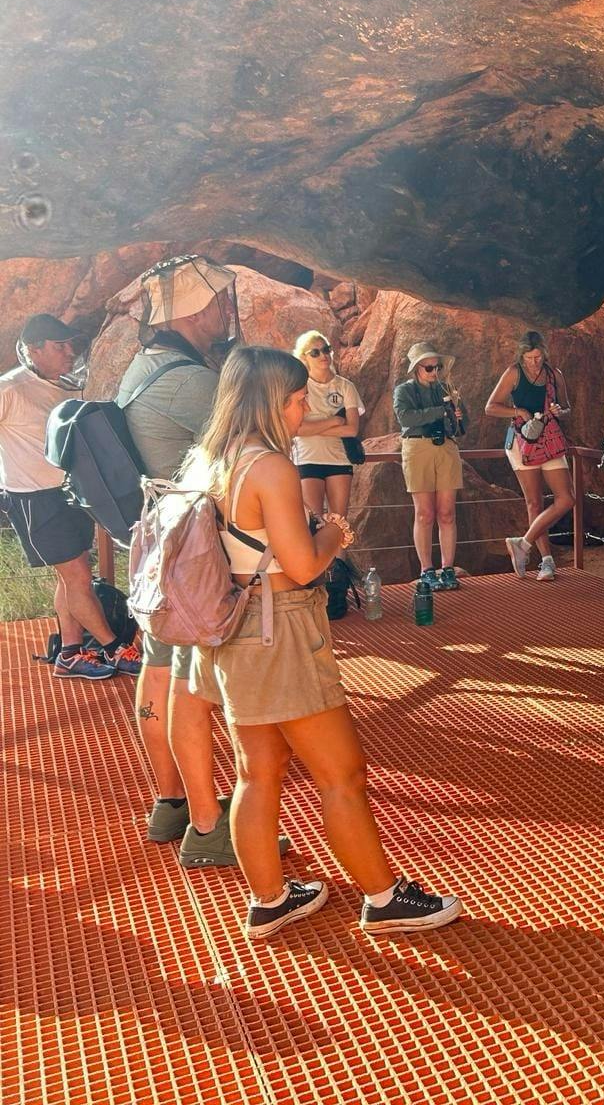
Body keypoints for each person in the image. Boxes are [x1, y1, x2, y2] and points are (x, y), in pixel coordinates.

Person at [182, 346, 461, 939]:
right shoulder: (271, 467)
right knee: (343, 774)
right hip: (279, 625)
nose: (302, 407)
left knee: (256, 772)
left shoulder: (212, 458)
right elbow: (304, 566)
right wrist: (335, 532)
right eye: (295, 398)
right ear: (270, 402)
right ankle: (383, 898)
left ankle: (269, 899)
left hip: (232, 626)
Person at [116, 255, 243, 866]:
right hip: (190, 557)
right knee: (192, 688)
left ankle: (169, 802)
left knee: (160, 672)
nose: (227, 312)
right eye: (220, 302)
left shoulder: (142, 367)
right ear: (196, 310)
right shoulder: (192, 381)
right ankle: (209, 826)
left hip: (155, 548)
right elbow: (250, 444)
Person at [0, 314, 140, 680]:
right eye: (59, 346)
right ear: (34, 350)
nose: (69, 352)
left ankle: (70, 653)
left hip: (68, 495)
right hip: (33, 499)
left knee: (72, 577)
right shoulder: (10, 388)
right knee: (77, 576)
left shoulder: (65, 386)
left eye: (70, 345)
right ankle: (114, 647)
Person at [487, 331, 573, 583]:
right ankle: (546, 561)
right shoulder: (513, 372)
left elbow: (567, 408)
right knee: (534, 502)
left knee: (566, 498)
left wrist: (559, 410)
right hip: (522, 442)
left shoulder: (554, 374)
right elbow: (491, 406)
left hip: (550, 439)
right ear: (521, 355)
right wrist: (518, 411)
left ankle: (523, 544)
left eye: (538, 357)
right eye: (529, 358)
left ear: (544, 353)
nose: (534, 362)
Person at [393, 341, 467, 591]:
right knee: (424, 513)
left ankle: (447, 568)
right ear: (416, 369)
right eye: (429, 368)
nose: (435, 372)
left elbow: (463, 422)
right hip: (417, 447)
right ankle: (426, 569)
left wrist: (457, 415)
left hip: (446, 446)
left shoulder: (448, 388)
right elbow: (406, 418)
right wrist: (441, 411)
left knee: (447, 513)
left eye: (437, 367)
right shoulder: (403, 391)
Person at [290, 330, 364, 519]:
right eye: (315, 352)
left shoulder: (346, 386)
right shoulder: (298, 387)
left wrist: (313, 429)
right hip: (307, 459)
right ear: (304, 357)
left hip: (339, 460)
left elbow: (352, 429)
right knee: (312, 522)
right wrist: (334, 421)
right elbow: (296, 429)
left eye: (326, 350)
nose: (323, 356)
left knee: (339, 525)